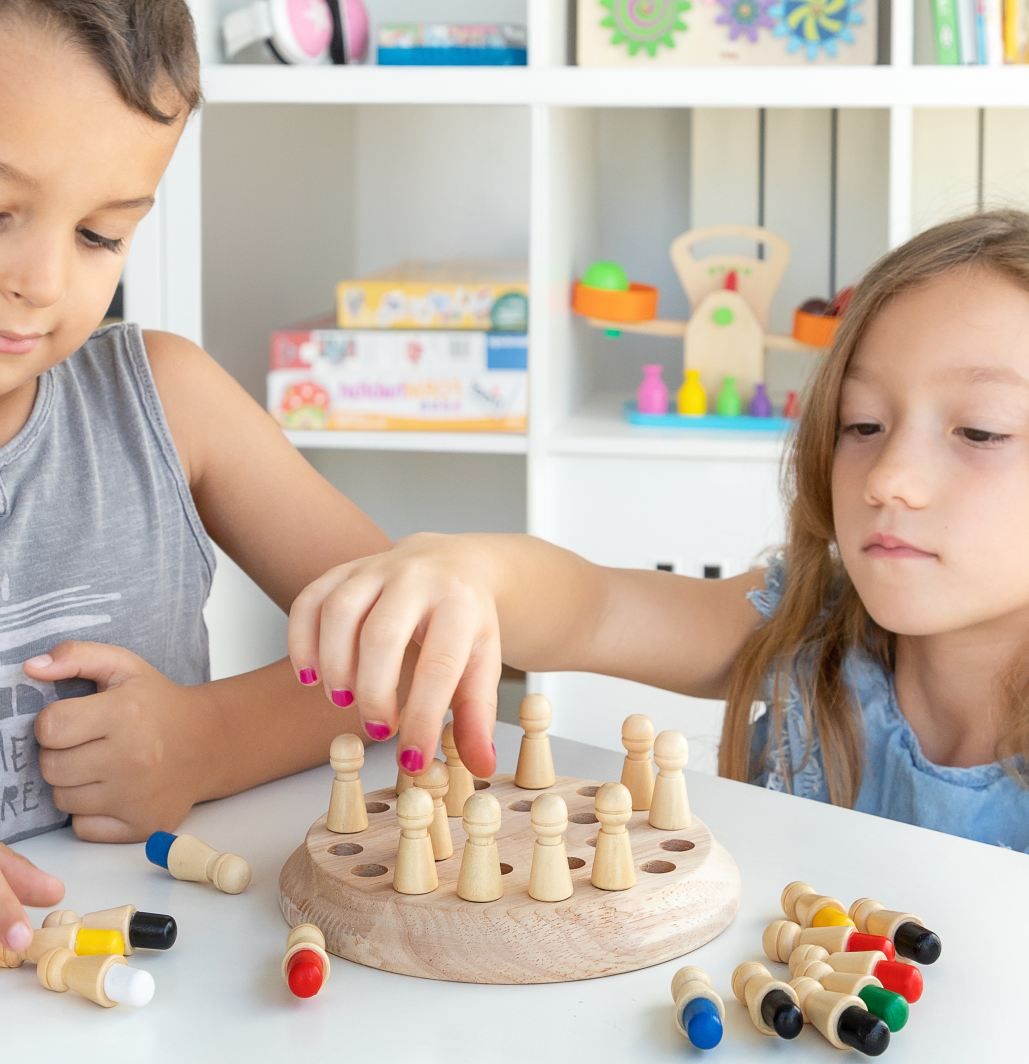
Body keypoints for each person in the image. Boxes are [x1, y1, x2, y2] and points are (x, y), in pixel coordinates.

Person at [291, 209, 1029, 855]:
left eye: (981, 431)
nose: (887, 477)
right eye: (862, 423)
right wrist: (471, 569)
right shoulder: (813, 629)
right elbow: (599, 608)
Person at [0, 0, 403, 979]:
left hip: (160, 1009)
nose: (44, 279)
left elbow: (408, 645)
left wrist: (206, 741)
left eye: (103, 234)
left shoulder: (168, 401)